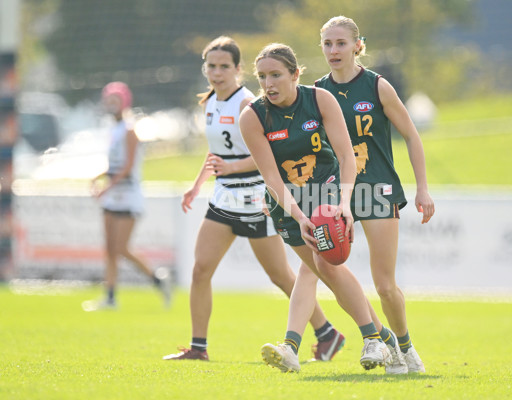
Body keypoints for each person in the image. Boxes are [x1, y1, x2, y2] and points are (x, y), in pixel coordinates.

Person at [163, 36, 345, 362]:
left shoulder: (249, 103)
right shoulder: (210, 103)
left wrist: (232, 166)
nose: (216, 73)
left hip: (253, 197)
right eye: (211, 66)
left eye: (224, 66)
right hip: (223, 197)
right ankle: (198, 347)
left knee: (281, 275)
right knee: (200, 269)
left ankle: (327, 332)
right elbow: (217, 152)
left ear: (238, 69)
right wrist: (197, 184)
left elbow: (266, 157)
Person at [240, 43, 392, 373]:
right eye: (262, 76)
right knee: (317, 269)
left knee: (323, 267)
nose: (269, 84)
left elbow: (346, 155)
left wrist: (344, 204)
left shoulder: (321, 99)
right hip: (287, 204)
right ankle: (381, 339)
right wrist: (298, 215)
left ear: (296, 74)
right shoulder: (253, 116)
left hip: (326, 192)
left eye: (276, 75)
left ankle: (300, 346)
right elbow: (271, 178)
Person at [315, 16, 436, 373]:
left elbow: (412, 136)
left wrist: (423, 189)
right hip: (337, 195)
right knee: (323, 269)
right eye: (327, 44)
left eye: (340, 43)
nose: (333, 50)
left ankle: (404, 346)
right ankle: (376, 339)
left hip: (377, 191)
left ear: (357, 45)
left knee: (384, 285)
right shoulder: (317, 92)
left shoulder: (378, 86)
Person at [82, 81, 171, 312]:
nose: (111, 105)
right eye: (108, 100)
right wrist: (99, 177)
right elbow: (114, 165)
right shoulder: (112, 129)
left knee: (121, 248)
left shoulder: (130, 130)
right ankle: (110, 297)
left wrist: (106, 186)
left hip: (128, 195)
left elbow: (128, 167)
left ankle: (157, 279)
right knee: (110, 249)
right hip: (113, 195)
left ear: (124, 102)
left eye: (116, 100)